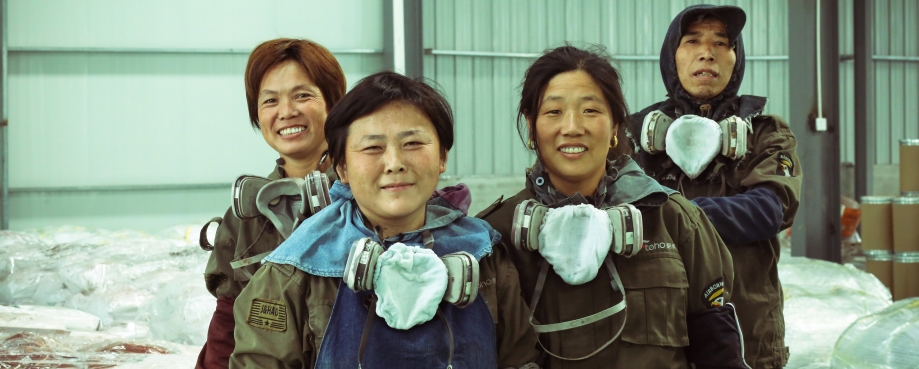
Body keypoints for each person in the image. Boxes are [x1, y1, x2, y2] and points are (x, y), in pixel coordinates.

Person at [229, 71, 542, 369]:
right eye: (372, 148)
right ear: (343, 168)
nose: (394, 163)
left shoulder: (484, 255)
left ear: (443, 156)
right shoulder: (294, 270)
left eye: (412, 144)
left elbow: (519, 359)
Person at [478, 45, 747, 369]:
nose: (573, 127)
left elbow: (718, 351)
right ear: (532, 127)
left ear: (615, 126)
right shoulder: (494, 239)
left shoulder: (675, 219)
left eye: (590, 110)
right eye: (554, 112)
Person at [626, 5, 802, 368]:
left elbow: (769, 211)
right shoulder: (635, 138)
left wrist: (672, 217)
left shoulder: (766, 132)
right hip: (656, 335)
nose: (707, 52)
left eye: (721, 43)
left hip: (746, 335)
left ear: (736, 59)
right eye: (692, 41)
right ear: (671, 56)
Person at [196, 38, 346, 369]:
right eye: (270, 101)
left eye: (303, 95)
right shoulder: (245, 218)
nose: (286, 112)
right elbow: (227, 325)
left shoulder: (366, 200)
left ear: (334, 105)